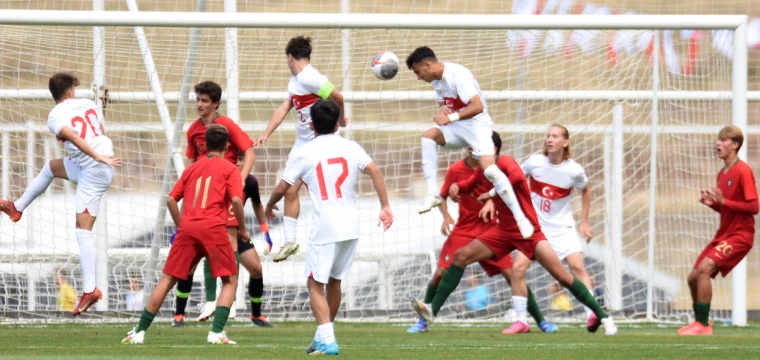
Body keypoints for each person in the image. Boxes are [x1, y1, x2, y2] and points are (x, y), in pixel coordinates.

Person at [411, 151, 617, 336]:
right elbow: (468, 183)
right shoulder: (482, 168)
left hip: (528, 232)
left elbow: (517, 178)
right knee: (461, 256)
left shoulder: (507, 162)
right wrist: (457, 186)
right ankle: (431, 312)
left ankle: (603, 317)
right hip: (503, 232)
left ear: (492, 149)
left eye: (478, 146)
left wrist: (491, 194)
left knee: (562, 277)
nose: (473, 149)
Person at [264, 99, 393, 355]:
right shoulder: (351, 146)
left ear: (310, 125)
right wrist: (385, 206)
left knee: (314, 284)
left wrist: (269, 205)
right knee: (334, 282)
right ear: (337, 124)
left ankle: (328, 339)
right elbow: (375, 170)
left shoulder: (305, 152)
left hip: (325, 226)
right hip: (351, 225)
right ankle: (321, 337)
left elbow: (283, 187)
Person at [407, 132, 557, 334]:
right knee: (440, 272)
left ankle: (540, 321)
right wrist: (446, 216)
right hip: (464, 229)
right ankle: (423, 320)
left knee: (512, 274)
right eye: (470, 143)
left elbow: (507, 187)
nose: (473, 146)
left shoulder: (497, 166)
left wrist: (490, 201)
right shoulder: (456, 170)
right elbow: (440, 195)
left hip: (491, 229)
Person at [0, 73, 120, 316]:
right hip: (94, 164)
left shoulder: (55, 115)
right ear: (70, 91)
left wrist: (96, 157)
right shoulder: (87, 104)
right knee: (51, 167)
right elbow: (97, 132)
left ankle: (90, 290)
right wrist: (97, 154)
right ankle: (17, 207)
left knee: (82, 230)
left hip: (94, 169)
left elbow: (75, 137)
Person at [122, 124, 249, 345]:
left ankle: (139, 331)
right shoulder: (230, 170)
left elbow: (171, 199)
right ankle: (216, 332)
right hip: (213, 228)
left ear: (205, 145)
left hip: (188, 228)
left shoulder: (190, 169)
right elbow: (237, 200)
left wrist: (182, 226)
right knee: (230, 280)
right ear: (227, 146)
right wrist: (243, 228)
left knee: (167, 279)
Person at [404, 46, 533, 240]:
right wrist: (444, 112)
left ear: (427, 65)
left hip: (478, 127)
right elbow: (445, 105)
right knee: (428, 136)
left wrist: (451, 117)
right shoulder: (436, 81)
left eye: (417, 72)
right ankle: (433, 195)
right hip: (458, 127)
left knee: (490, 170)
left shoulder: (458, 74)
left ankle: (520, 218)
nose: (418, 77)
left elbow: (478, 106)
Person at [257, 36, 348, 263]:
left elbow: (338, 96)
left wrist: (341, 120)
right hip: (302, 143)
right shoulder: (295, 80)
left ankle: (334, 236)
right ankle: (290, 242)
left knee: (322, 193)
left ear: (290, 57)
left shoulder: (311, 77)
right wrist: (266, 133)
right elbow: (283, 108)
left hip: (321, 141)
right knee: (289, 189)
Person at [178, 80, 256, 323]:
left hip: (226, 190)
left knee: (230, 241)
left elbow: (249, 152)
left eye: (204, 101)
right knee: (206, 245)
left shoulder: (227, 125)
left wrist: (240, 179)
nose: (199, 105)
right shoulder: (193, 130)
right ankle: (211, 301)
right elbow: (191, 163)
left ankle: (228, 301)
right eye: (197, 100)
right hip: (204, 193)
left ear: (215, 104)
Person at [172, 153, 274, 328]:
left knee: (256, 268)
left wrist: (265, 230)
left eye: (241, 160)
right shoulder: (217, 177)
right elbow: (188, 200)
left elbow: (257, 204)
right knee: (188, 269)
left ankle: (256, 315)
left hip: (235, 232)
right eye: (234, 160)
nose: (237, 163)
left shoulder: (249, 182)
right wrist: (179, 228)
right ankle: (179, 315)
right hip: (210, 230)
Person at [514, 124, 598, 330]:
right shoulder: (534, 162)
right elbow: (513, 180)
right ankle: (521, 321)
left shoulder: (574, 170)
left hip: (563, 227)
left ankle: (593, 314)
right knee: (518, 268)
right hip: (536, 228)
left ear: (565, 142)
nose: (549, 140)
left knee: (577, 266)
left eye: (555, 136)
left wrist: (584, 221)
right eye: (548, 136)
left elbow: (586, 190)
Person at [678, 125, 757, 336]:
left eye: (723, 140)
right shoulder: (722, 173)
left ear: (735, 145)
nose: (718, 143)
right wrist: (712, 204)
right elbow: (726, 206)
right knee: (693, 277)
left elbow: (754, 207)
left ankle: (703, 326)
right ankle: (700, 322)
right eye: (718, 140)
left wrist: (725, 201)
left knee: (704, 270)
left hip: (741, 234)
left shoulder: (743, 170)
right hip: (724, 234)